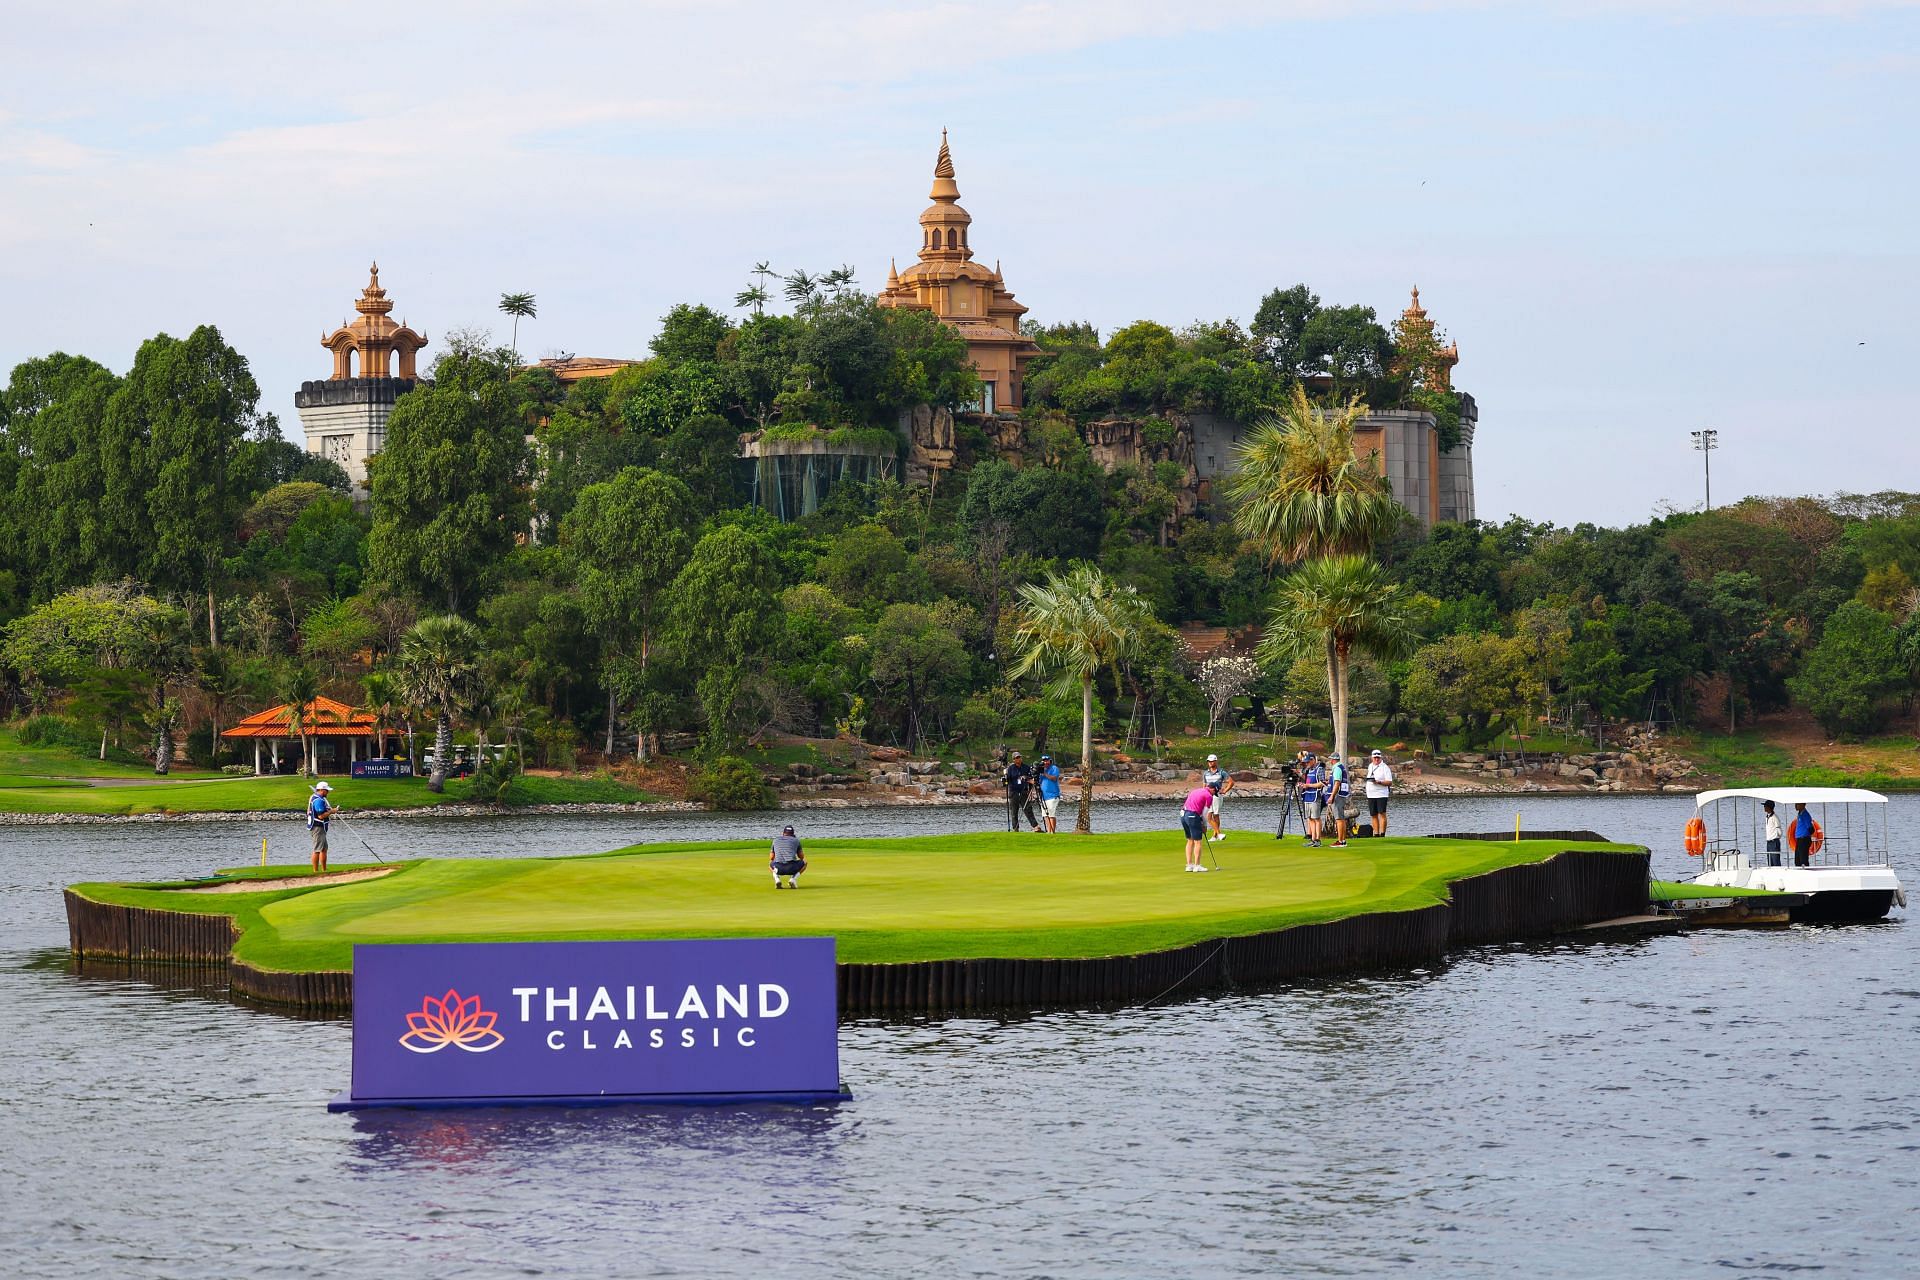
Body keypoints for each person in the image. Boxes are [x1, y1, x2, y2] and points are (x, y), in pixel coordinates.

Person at [1003, 750, 1041, 833]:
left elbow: (1031, 779)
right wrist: (1005, 778)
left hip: (1024, 791)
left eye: (1019, 757)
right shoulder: (1010, 768)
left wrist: (1030, 790)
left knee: (1028, 809)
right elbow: (1007, 781)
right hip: (1013, 792)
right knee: (1014, 811)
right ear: (1013, 760)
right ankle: (1015, 828)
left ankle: (1035, 826)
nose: (1019, 759)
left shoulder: (1026, 767)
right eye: (1017, 758)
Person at [1181, 782, 1214, 872]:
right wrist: (1204, 825)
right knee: (1198, 842)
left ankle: (1189, 865)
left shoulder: (1195, 791)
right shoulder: (1209, 796)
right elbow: (1204, 813)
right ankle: (1197, 866)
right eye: (1215, 792)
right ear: (1213, 789)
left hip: (1183, 815)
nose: (1214, 794)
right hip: (1192, 816)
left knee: (1190, 840)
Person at [1202, 753, 1233, 843]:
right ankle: (1218, 834)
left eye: (1212, 761)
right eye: (1209, 761)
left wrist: (1225, 790)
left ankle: (1216, 835)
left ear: (1215, 761)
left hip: (1216, 796)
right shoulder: (1206, 773)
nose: (1211, 763)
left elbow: (1231, 782)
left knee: (1215, 815)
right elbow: (1204, 786)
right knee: (1208, 816)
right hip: (1208, 796)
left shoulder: (1221, 772)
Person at [306, 781, 336, 874]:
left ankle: (324, 870)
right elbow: (321, 816)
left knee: (324, 849)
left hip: (320, 827)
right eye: (327, 790)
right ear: (322, 790)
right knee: (317, 849)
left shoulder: (315, 797)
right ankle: (315, 871)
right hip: (317, 827)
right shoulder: (318, 800)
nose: (328, 792)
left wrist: (328, 810)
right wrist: (332, 811)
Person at [1365, 749, 1394, 838]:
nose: (1376, 759)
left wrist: (1379, 782)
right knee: (1373, 814)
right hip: (1371, 793)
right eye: (1375, 758)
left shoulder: (1385, 767)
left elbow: (1389, 782)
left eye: (1378, 757)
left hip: (1381, 793)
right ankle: (1376, 834)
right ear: (1372, 758)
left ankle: (1382, 834)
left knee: (1381, 813)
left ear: (1380, 757)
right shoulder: (1370, 766)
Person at [1298, 753, 1324, 847]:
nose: (1307, 763)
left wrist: (1308, 785)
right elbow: (1307, 780)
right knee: (1310, 818)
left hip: (1315, 796)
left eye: (1308, 761)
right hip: (1307, 796)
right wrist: (1303, 784)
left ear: (1313, 760)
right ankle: (1313, 839)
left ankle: (1318, 839)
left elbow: (1322, 783)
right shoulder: (1308, 770)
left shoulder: (1319, 769)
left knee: (1316, 818)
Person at [770, 824, 807, 888]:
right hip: (792, 868)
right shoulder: (796, 840)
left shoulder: (775, 840)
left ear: (783, 833)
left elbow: (771, 857)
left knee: (770, 863)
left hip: (779, 868)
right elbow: (801, 857)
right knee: (805, 862)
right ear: (793, 833)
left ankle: (777, 879)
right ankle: (793, 879)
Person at [1326, 754, 1351, 847]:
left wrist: (1332, 796)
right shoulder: (1341, 767)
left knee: (1339, 819)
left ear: (1333, 760)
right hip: (1341, 795)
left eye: (1331, 759)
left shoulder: (1337, 768)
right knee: (1341, 819)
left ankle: (1340, 841)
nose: (1330, 761)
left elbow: (1337, 783)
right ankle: (1342, 840)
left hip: (1337, 796)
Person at [1036, 754, 1063, 834]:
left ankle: (1052, 831)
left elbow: (1054, 778)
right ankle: (1049, 831)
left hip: (1053, 795)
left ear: (1050, 761)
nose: (1045, 762)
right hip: (1044, 796)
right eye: (1044, 761)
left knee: (1051, 813)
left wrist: (1044, 773)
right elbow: (1039, 781)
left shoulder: (1054, 768)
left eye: (1047, 760)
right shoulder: (1041, 770)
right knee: (1045, 815)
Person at [1790, 802, 1814, 867]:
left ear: (1803, 805)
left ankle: (1806, 872)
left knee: (1803, 860)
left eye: (1797, 804)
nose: (1795, 805)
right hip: (1800, 839)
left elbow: (1811, 829)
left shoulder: (1805, 815)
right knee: (1797, 860)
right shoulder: (1800, 814)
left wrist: (1805, 834)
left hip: (1804, 839)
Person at [1762, 800, 1782, 866]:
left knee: (1775, 861)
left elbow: (1779, 830)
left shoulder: (1774, 817)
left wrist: (1776, 836)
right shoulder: (1767, 817)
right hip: (1769, 842)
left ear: (1769, 807)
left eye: (1765, 806)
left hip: (1774, 842)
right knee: (1770, 862)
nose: (1764, 807)